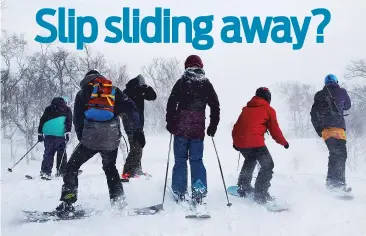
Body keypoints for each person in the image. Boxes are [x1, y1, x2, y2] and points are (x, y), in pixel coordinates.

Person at [55, 70, 145, 214]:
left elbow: (77, 119)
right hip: (111, 137)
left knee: (72, 166)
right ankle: (119, 202)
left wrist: (83, 137)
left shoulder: (83, 93)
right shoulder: (113, 91)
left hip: (90, 137)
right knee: (110, 168)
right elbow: (131, 108)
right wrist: (138, 130)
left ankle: (68, 201)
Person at [166, 55, 220, 205]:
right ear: (200, 66)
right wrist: (213, 125)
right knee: (197, 160)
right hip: (197, 130)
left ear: (186, 66)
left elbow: (171, 103)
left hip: (181, 128)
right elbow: (215, 105)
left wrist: (170, 122)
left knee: (180, 160)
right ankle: (199, 192)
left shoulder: (182, 82)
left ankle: (179, 191)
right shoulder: (206, 83)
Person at [232, 87, 289, 204]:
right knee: (268, 165)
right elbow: (275, 130)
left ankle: (243, 186)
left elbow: (236, 127)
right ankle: (260, 194)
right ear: (268, 97)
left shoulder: (246, 108)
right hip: (255, 143)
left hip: (241, 142)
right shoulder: (269, 110)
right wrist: (284, 142)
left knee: (250, 159)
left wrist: (236, 143)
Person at [310, 74, 351, 191]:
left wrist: (319, 130)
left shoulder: (319, 95)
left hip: (326, 131)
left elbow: (313, 114)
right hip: (338, 129)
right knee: (341, 155)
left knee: (335, 154)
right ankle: (337, 185)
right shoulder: (342, 91)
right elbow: (348, 106)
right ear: (336, 81)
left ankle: (333, 184)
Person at [121, 74, 157, 180]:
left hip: (131, 123)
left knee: (137, 146)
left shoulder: (127, 91)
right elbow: (153, 96)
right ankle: (127, 172)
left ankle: (137, 170)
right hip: (134, 124)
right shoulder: (138, 90)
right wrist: (147, 87)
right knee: (136, 148)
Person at [38, 96, 72, 180]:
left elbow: (42, 120)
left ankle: (45, 172)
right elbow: (68, 122)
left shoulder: (48, 108)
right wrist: (67, 133)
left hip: (48, 135)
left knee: (48, 153)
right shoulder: (67, 109)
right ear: (65, 102)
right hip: (60, 135)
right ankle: (61, 171)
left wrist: (40, 133)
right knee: (62, 153)